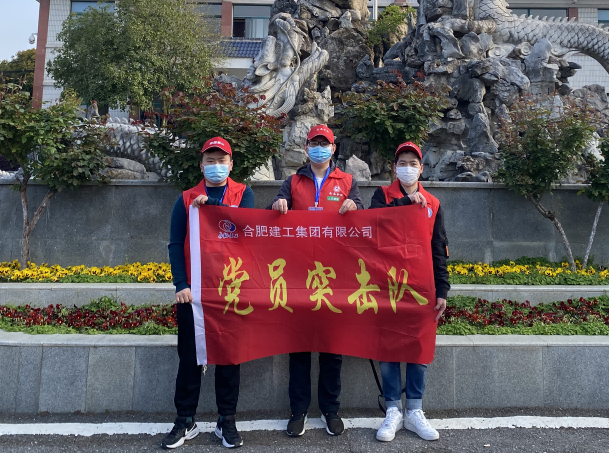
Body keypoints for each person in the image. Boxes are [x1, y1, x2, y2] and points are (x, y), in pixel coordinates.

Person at [162, 137, 255, 450]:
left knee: (229, 357)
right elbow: (176, 243)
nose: (216, 166)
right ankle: (185, 419)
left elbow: (245, 229)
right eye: (210, 161)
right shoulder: (186, 199)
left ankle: (226, 419)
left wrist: (213, 207)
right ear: (201, 166)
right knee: (189, 358)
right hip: (194, 293)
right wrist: (181, 284)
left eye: (221, 160)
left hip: (231, 290)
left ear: (231, 164)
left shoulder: (244, 194)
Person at [271, 124, 362, 437]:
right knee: (298, 347)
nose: (319, 148)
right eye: (314, 143)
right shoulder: (293, 181)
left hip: (335, 277)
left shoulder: (348, 182)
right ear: (306, 147)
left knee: (331, 348)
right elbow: (274, 210)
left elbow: (364, 218)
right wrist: (278, 205)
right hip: (299, 275)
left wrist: (355, 206)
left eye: (325, 143)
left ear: (333, 148)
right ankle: (298, 410)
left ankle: (330, 409)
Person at [369, 141, 448, 443]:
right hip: (387, 283)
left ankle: (414, 410)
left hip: (420, 286)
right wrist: (405, 203)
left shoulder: (433, 204)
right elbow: (374, 224)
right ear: (394, 167)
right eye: (402, 163)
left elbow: (438, 248)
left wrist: (442, 289)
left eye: (413, 163)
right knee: (389, 347)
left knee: (418, 346)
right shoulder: (382, 196)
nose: (407, 168)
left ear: (422, 168)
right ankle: (393, 409)